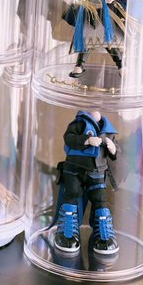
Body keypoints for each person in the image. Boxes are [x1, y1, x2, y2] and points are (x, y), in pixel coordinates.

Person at [54, 110, 119, 256]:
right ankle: (67, 231)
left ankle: (103, 232)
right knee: (71, 196)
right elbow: (69, 138)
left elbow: (114, 153)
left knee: (100, 200)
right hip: (74, 169)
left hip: (97, 172)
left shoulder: (108, 131)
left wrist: (112, 148)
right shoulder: (79, 123)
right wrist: (87, 140)